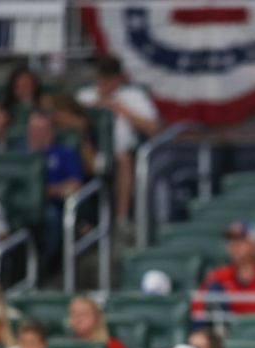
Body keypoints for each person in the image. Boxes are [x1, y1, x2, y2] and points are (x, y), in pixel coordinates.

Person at [76, 54, 160, 239]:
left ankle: (121, 218)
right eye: (103, 76)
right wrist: (97, 106)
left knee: (123, 158)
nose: (106, 81)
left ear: (119, 77)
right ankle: (83, 221)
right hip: (89, 152)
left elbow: (153, 128)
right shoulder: (85, 96)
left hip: (120, 154)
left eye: (110, 76)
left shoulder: (133, 96)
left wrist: (122, 110)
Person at [190, 220, 255, 322]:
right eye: (231, 241)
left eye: (241, 240)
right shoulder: (216, 277)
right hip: (228, 335)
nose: (235, 245)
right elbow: (198, 310)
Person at [25, 111, 83, 269]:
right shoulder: (19, 154)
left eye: (41, 131)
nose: (37, 135)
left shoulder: (63, 153)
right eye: (33, 131)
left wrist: (52, 190)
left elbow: (75, 184)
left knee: (51, 217)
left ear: (50, 133)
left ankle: (47, 267)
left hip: (51, 204)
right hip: (22, 206)